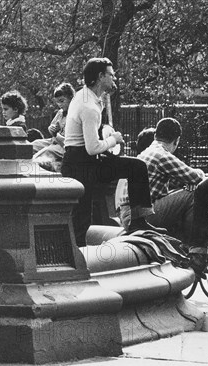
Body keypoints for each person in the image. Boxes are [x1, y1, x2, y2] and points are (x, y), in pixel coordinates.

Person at [61, 57, 163, 247]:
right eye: (111, 74)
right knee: (82, 217)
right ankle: (78, 257)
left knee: (136, 167)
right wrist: (113, 140)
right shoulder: (89, 106)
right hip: (80, 165)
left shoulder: (88, 97)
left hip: (85, 162)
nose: (114, 78)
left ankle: (139, 221)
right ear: (100, 77)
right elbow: (92, 148)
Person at [134, 118, 208, 274]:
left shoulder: (148, 151)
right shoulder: (162, 155)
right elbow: (197, 179)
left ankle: (180, 247)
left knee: (185, 193)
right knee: (193, 193)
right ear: (177, 140)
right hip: (145, 216)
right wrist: (197, 177)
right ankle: (194, 251)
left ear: (156, 135)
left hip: (133, 213)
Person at [32, 83, 76, 171]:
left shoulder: (75, 114)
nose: (59, 104)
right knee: (34, 145)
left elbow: (68, 141)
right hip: (54, 140)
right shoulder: (60, 112)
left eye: (62, 101)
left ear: (71, 98)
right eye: (57, 102)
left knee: (45, 152)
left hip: (64, 146)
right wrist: (51, 129)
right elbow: (52, 127)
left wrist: (56, 134)